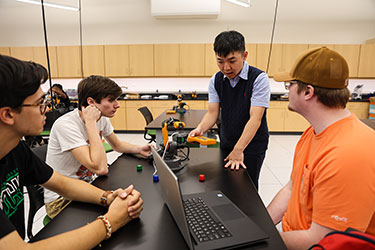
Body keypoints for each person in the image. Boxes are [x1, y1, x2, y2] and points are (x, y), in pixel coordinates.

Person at [0, 55, 143, 248]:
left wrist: (108, 197)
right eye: (40, 102)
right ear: (8, 114)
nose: (47, 109)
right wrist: (110, 221)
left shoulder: (15, 150)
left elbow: (62, 183)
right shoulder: (66, 125)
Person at [267, 47, 375, 249]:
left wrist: (257, 242)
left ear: (308, 92)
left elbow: (324, 241)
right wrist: (260, 228)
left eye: (290, 84)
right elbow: (291, 188)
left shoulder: (349, 154)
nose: (287, 90)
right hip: (294, 238)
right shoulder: (313, 132)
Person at [44, 75, 151, 218]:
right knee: (122, 212)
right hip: (61, 200)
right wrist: (91, 123)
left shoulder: (102, 119)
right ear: (91, 103)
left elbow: (117, 145)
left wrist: (139, 149)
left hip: (89, 186)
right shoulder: (66, 125)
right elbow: (100, 168)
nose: (117, 104)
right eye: (111, 100)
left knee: (131, 202)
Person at [189, 30, 270, 189]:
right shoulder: (216, 80)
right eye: (220, 61)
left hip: (251, 146)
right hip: (227, 141)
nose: (226, 67)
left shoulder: (259, 79)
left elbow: (255, 118)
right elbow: (212, 113)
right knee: (226, 186)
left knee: (247, 189)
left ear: (244, 55)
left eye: (232, 60)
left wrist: (239, 150)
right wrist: (200, 128)